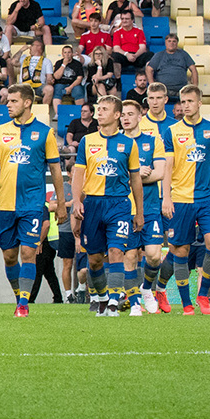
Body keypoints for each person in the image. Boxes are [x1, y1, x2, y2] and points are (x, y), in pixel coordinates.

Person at [0, 85, 68, 317]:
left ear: (27, 103)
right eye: (8, 101)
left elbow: (56, 171)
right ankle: (20, 296)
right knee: (9, 256)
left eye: (13, 101)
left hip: (33, 204)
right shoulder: (0, 131)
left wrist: (61, 202)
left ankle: (23, 305)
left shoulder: (45, 133)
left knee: (28, 252)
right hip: (6, 205)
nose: (8, 104)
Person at [159, 84, 210, 315]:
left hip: (207, 197)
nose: (186, 106)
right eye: (183, 102)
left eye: (190, 101)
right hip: (181, 198)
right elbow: (168, 167)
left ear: (200, 103)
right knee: (180, 250)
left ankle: (203, 295)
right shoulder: (172, 131)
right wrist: (166, 197)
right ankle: (186, 304)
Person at [70, 96, 143, 317]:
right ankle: (102, 298)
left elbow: (136, 179)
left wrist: (139, 212)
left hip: (119, 203)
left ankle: (113, 301)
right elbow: (78, 174)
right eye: (98, 109)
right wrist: (76, 201)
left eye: (104, 109)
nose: (99, 113)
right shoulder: (87, 141)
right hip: (93, 203)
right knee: (94, 260)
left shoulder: (129, 144)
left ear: (117, 115)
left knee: (116, 251)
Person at [120, 99, 165, 314]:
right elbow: (115, 178)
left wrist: (133, 178)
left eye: (130, 114)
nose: (126, 118)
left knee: (154, 255)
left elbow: (160, 172)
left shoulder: (153, 141)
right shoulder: (116, 143)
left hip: (151, 207)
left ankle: (146, 288)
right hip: (125, 209)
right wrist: (137, 175)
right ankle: (135, 303)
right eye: (122, 115)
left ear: (140, 117)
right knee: (129, 256)